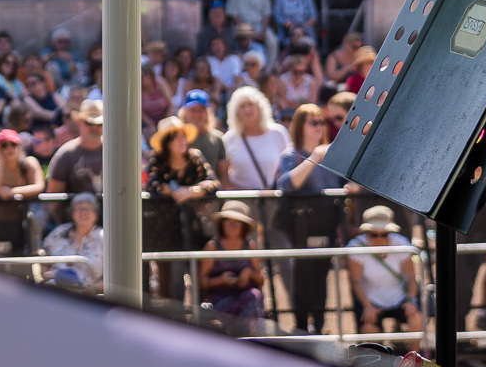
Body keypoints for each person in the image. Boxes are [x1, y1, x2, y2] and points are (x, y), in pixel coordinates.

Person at [273, 104, 344, 335]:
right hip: (297, 228)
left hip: (326, 224)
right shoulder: (291, 153)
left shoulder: (333, 154)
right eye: (313, 122)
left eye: (321, 122)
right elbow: (286, 184)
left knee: (322, 276)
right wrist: (314, 156)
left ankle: (320, 327)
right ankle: (302, 329)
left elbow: (341, 184)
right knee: (301, 278)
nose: (319, 127)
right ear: (299, 126)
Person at [145, 122, 217, 302]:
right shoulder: (156, 160)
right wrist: (169, 190)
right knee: (167, 277)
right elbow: (152, 185)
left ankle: (201, 317)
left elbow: (212, 182)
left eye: (182, 136)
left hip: (193, 226)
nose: (181, 141)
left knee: (197, 270)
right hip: (164, 228)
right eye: (175, 137)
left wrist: (191, 191)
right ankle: (171, 321)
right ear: (167, 142)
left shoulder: (195, 158)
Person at [349, 205, 423, 334]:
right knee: (369, 327)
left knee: (416, 319)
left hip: (400, 297)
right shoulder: (355, 246)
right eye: (374, 234)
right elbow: (357, 281)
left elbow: (411, 277)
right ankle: (377, 355)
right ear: (366, 232)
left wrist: (411, 300)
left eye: (384, 234)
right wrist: (367, 305)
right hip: (370, 299)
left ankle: (414, 354)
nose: (379, 238)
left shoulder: (402, 243)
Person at [198, 201, 266, 334]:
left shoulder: (250, 246)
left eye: (237, 223)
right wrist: (221, 280)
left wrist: (249, 273)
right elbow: (200, 282)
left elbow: (261, 280)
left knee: (254, 296)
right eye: (228, 222)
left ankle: (254, 339)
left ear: (244, 226)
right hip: (221, 299)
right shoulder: (212, 247)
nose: (232, 227)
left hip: (245, 297)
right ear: (221, 224)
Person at [39, 192, 104, 290]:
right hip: (56, 290)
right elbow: (43, 260)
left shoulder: (103, 237)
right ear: (72, 213)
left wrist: (92, 289)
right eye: (79, 209)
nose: (83, 213)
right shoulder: (59, 232)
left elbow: (112, 277)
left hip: (90, 295)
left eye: (88, 209)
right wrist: (45, 275)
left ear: (96, 214)